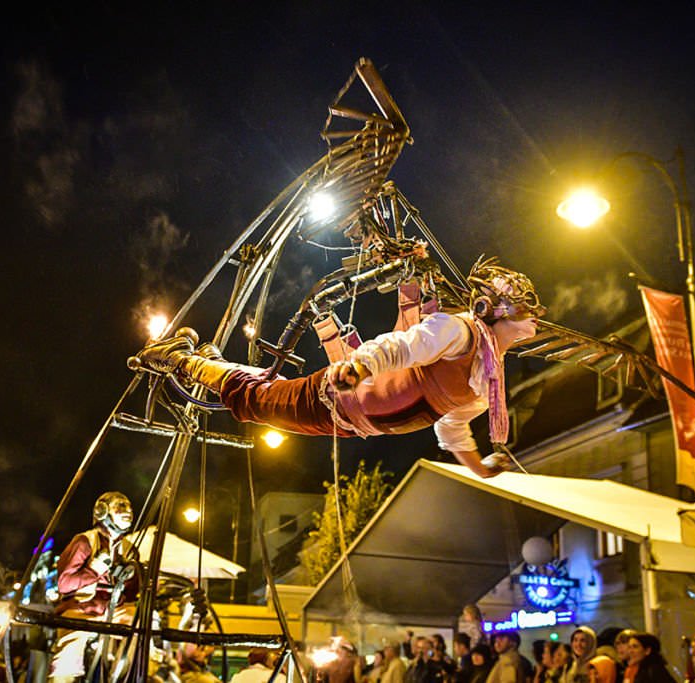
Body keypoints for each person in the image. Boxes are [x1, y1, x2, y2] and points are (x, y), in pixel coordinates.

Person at [131, 257, 546, 479]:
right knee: (257, 400)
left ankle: (203, 361)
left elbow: (451, 429)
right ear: (493, 310)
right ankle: (179, 359)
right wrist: (358, 368)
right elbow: (400, 347)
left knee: (262, 396)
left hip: (351, 423)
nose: (536, 316)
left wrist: (481, 469)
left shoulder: (488, 379)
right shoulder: (460, 331)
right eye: (527, 307)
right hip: (338, 398)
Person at [48, 491, 140, 683]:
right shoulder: (85, 541)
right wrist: (93, 570)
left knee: (140, 625)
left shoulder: (130, 548)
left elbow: (132, 593)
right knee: (68, 653)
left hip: (114, 611)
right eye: (119, 507)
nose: (127, 511)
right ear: (102, 511)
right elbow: (64, 585)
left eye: (128, 507)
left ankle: (123, 675)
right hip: (81, 609)